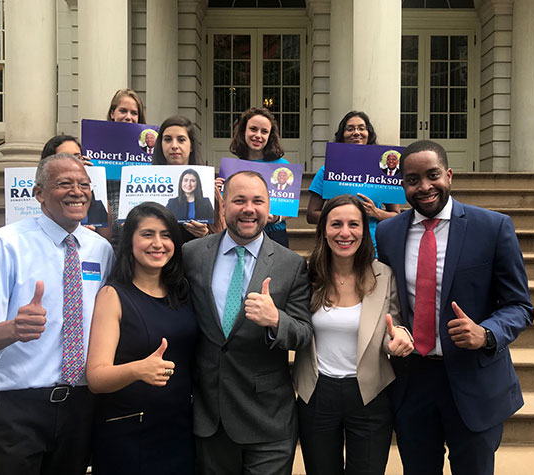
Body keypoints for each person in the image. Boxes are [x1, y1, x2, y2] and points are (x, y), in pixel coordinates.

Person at [0, 154, 114, 475]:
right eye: (64, 183)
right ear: (38, 193)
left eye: (83, 184)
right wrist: (9, 330)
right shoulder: (6, 244)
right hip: (15, 409)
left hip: (79, 409)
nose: (77, 192)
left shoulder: (100, 250)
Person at [375, 140, 534, 475]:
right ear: (402, 184)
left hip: (474, 380)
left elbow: (519, 305)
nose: (424, 186)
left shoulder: (492, 227)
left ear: (449, 175)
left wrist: (487, 333)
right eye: (413, 179)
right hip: (413, 381)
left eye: (433, 175)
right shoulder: (388, 233)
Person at [182, 170, 312, 475]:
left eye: (257, 201)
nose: (248, 209)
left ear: (269, 207)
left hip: (268, 418)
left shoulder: (290, 264)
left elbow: (303, 333)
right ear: (224, 205)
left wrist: (276, 320)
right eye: (239, 200)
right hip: (210, 416)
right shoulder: (192, 254)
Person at [293, 194, 413, 475]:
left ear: (364, 228)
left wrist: (399, 338)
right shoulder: (306, 274)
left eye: (353, 224)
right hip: (317, 392)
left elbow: (391, 326)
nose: (344, 233)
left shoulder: (384, 274)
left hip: (369, 393)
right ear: (323, 229)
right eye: (336, 224)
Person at [86, 202, 197, 475]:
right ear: (130, 241)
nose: (158, 243)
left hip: (179, 429)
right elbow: (96, 378)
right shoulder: (113, 296)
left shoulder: (182, 291)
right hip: (128, 432)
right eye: (147, 234)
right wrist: (139, 369)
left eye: (166, 234)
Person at [306, 111, 400, 249]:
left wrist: (376, 213)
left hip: (372, 248)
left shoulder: (383, 172)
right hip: (336, 247)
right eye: (350, 129)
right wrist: (340, 217)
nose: (356, 132)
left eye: (362, 128)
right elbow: (311, 215)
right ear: (342, 136)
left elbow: (396, 216)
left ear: (369, 134)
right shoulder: (327, 171)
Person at [225, 107, 291, 247]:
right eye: (253, 129)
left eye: (264, 131)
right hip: (240, 234)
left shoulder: (283, 166)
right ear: (244, 131)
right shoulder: (232, 167)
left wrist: (277, 218)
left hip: (274, 235)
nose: (258, 135)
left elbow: (290, 206)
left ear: (270, 136)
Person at [152, 115, 224, 242]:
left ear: (191, 146)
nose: (174, 145)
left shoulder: (210, 192)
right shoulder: (152, 185)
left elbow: (222, 238)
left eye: (181, 140)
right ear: (160, 145)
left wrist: (205, 235)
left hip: (196, 258)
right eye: (168, 139)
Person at [41, 135, 110, 234]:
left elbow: (105, 241)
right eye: (64, 157)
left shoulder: (97, 205)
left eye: (77, 157)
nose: (72, 162)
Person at [105, 88, 147, 247]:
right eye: (123, 110)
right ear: (112, 113)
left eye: (134, 113)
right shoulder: (94, 147)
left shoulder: (149, 150)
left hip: (136, 234)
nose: (128, 117)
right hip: (105, 232)